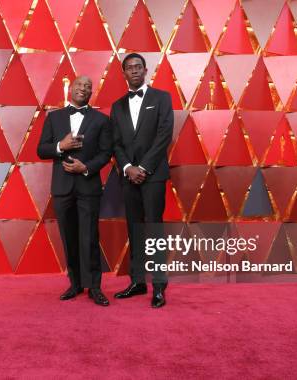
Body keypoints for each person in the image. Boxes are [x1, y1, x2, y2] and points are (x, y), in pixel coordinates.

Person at [37, 76, 113, 306]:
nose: (84, 89)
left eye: (88, 87)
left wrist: (86, 167)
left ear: (92, 93)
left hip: (88, 186)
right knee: (69, 237)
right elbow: (41, 149)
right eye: (80, 85)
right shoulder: (54, 117)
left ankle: (95, 287)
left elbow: (105, 153)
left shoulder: (101, 120)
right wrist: (62, 146)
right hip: (62, 188)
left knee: (90, 237)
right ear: (71, 88)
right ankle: (75, 283)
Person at [110, 53, 173, 308]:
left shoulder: (162, 98)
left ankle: (159, 287)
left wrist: (143, 167)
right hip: (128, 177)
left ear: (145, 71)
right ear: (123, 73)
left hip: (153, 175)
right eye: (129, 68)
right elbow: (115, 143)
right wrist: (127, 167)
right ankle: (137, 282)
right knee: (134, 228)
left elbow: (164, 135)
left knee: (154, 228)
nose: (134, 71)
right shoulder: (117, 106)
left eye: (138, 67)